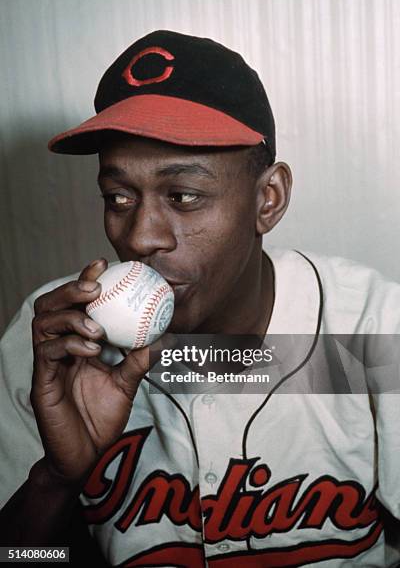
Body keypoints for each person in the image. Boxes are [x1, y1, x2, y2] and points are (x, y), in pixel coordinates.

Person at [0, 30, 399, 567]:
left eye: (183, 196)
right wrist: (55, 479)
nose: (140, 238)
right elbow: (21, 559)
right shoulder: (58, 331)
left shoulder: (371, 326)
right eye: (118, 197)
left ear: (268, 199)